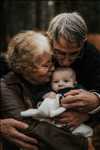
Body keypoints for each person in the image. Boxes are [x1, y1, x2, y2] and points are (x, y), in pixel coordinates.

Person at [47, 12, 100, 148]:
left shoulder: (92, 56)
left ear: (83, 43)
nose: (65, 62)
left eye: (74, 53)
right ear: (50, 39)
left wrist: (95, 103)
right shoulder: (39, 49)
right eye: (59, 52)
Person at [0, 30, 54, 150]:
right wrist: (82, 144)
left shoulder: (49, 81)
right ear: (25, 68)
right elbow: (28, 127)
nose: (52, 68)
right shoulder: (7, 88)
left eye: (52, 62)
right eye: (46, 65)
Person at [21, 67, 93, 139]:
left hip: (74, 123)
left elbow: (87, 104)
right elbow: (38, 99)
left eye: (66, 81)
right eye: (56, 82)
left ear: (74, 83)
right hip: (53, 122)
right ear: (51, 84)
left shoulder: (78, 91)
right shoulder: (50, 92)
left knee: (87, 131)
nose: (60, 84)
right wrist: (45, 95)